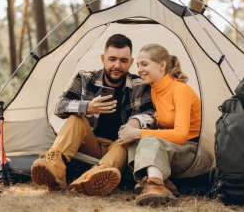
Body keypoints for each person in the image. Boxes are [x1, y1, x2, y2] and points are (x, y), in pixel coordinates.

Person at [31, 34, 155, 196]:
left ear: (131, 62)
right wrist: (87, 107)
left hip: (118, 146)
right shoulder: (85, 79)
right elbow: (58, 106)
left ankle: (94, 176)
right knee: (76, 119)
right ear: (103, 59)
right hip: (89, 143)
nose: (117, 65)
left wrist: (136, 121)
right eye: (112, 59)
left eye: (123, 61)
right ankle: (55, 167)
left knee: (127, 141)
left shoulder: (140, 85)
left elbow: (152, 114)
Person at [117, 43, 201, 206]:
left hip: (191, 150)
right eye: (138, 65)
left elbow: (181, 135)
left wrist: (139, 133)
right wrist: (132, 132)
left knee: (146, 138)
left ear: (162, 65)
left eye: (145, 64)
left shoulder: (180, 90)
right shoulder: (155, 90)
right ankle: (153, 180)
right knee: (136, 139)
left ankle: (156, 185)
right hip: (171, 149)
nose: (140, 69)